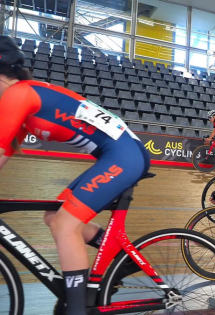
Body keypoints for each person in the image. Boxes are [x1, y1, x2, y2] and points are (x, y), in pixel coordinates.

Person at [0, 36, 150, 315]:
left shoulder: (17, 94)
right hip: (119, 152)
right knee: (53, 217)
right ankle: (122, 260)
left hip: (124, 154)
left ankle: (77, 308)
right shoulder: (20, 94)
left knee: (65, 224)